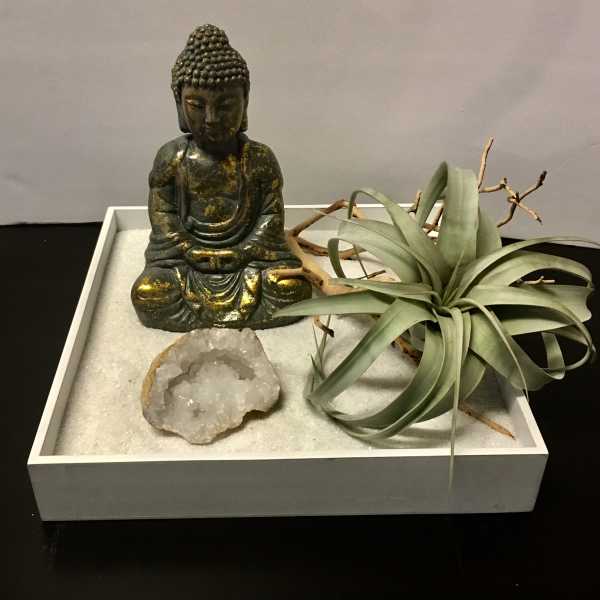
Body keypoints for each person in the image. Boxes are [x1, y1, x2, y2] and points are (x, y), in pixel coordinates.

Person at [131, 25, 311, 331]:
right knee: (149, 293)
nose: (211, 118)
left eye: (226, 105)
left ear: (245, 102)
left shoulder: (259, 158)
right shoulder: (171, 157)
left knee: (290, 288)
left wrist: (244, 251)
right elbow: (163, 215)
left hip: (249, 262)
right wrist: (189, 250)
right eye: (197, 106)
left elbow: (270, 216)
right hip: (185, 264)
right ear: (179, 104)